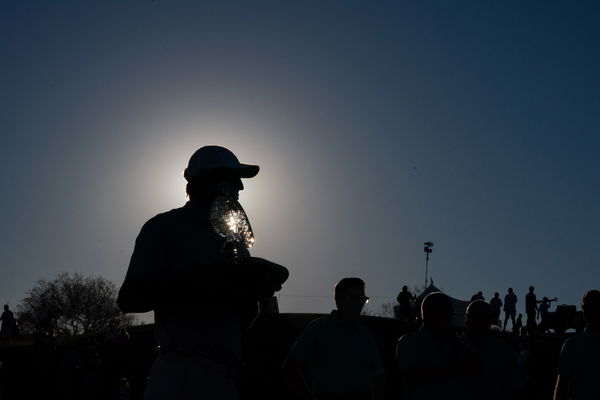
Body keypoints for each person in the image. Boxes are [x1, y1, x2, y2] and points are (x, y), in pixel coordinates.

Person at [117, 145, 288, 400]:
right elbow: (129, 298)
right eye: (231, 178)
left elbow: (237, 312)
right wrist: (199, 281)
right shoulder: (164, 227)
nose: (240, 187)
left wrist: (253, 293)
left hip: (228, 375)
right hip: (182, 374)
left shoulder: (234, 238)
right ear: (205, 180)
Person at [282, 277, 384, 400]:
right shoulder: (318, 328)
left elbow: (379, 376)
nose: (360, 303)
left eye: (363, 299)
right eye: (355, 298)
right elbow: (290, 366)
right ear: (339, 299)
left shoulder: (366, 334)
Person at [396, 292, 472, 400]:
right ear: (427, 312)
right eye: (443, 310)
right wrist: (453, 368)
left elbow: (473, 368)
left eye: (449, 311)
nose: (448, 316)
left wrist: (458, 342)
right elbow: (412, 375)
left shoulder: (456, 342)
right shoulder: (409, 341)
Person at [461, 300, 523, 400]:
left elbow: (516, 389)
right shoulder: (452, 347)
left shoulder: (505, 353)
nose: (477, 322)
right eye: (474, 317)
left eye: (481, 318)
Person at [553, 290, 600, 400]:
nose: (592, 312)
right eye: (588, 308)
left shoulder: (572, 345)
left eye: (595, 307)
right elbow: (561, 386)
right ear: (584, 311)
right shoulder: (571, 345)